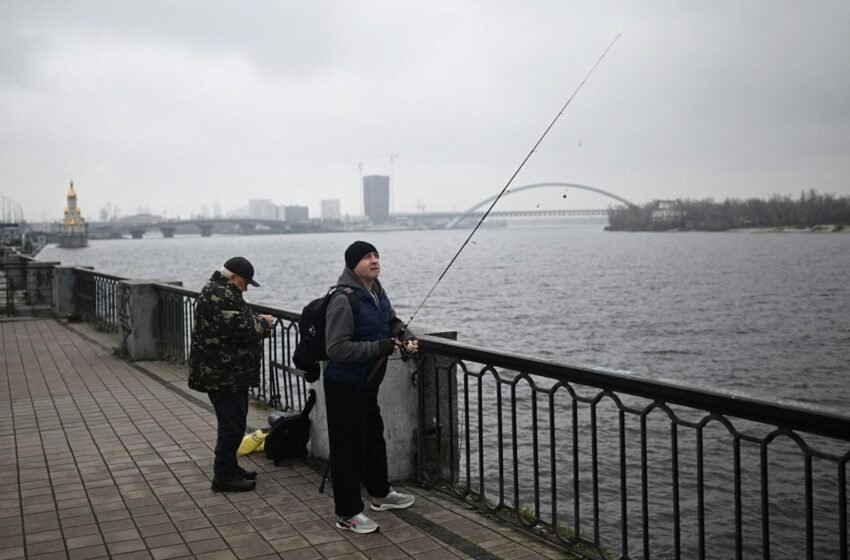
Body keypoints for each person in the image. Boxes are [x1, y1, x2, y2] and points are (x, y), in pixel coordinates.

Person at [323, 240, 416, 534]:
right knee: (347, 449)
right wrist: (381, 346)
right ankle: (347, 513)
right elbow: (337, 349)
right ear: (353, 265)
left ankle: (380, 494)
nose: (374, 260)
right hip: (344, 386)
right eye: (366, 257)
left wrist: (404, 335)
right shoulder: (343, 299)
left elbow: (391, 321)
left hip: (367, 383)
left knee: (373, 438)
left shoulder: (376, 291)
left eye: (376, 255)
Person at [188, 256, 274, 492]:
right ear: (234, 277)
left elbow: (234, 322)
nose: (246, 288)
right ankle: (223, 477)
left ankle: (230, 467)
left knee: (235, 421)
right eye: (245, 283)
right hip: (222, 373)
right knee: (232, 426)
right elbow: (240, 329)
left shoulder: (221, 290)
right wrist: (264, 324)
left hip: (228, 372)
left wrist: (254, 320)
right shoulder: (220, 294)